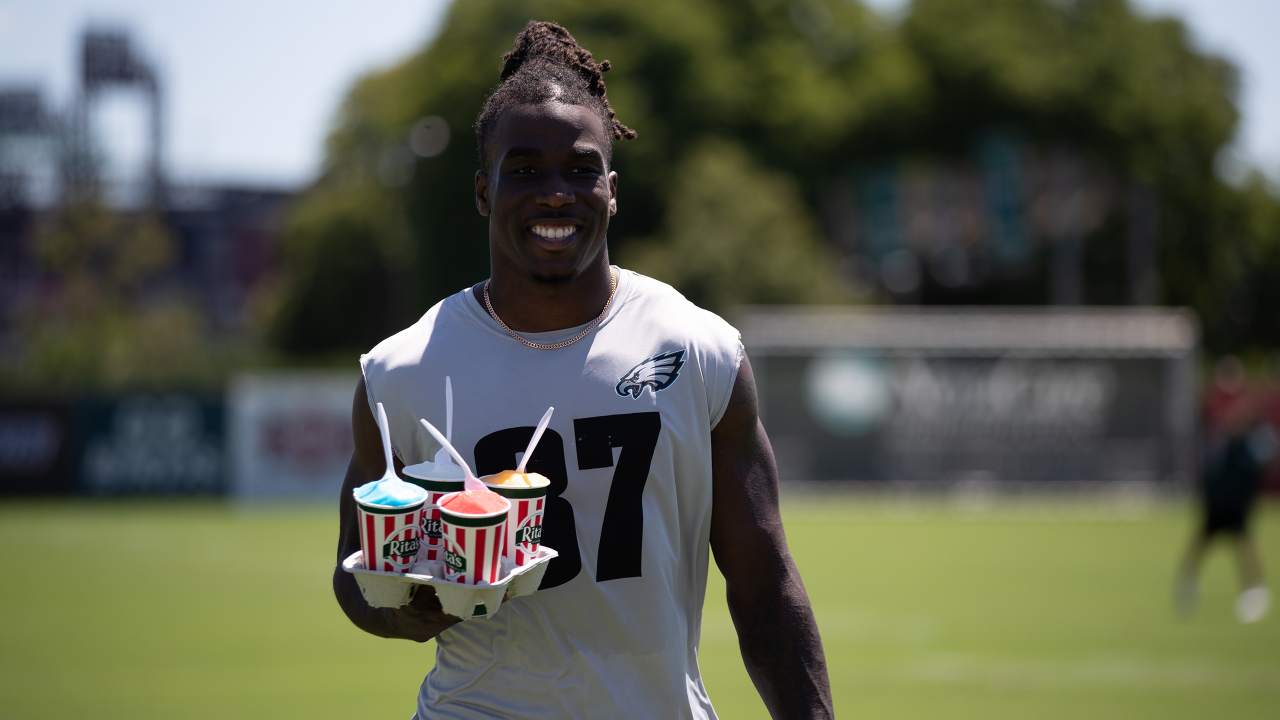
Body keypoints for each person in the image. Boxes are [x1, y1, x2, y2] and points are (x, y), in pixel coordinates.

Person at [332, 21, 833, 719]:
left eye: (580, 168)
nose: (557, 193)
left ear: (613, 187)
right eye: (526, 171)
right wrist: (410, 609)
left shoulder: (698, 349)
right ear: (483, 190)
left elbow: (764, 583)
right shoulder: (403, 369)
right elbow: (355, 575)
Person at [1175, 363, 1275, 624]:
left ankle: (1255, 589)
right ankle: (1187, 584)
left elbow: (1265, 459)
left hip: (1238, 502)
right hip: (1218, 500)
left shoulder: (1256, 437)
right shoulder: (1216, 432)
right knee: (1201, 542)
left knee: (1243, 543)